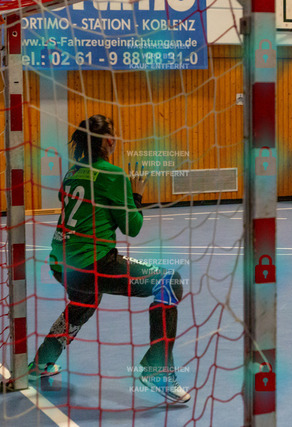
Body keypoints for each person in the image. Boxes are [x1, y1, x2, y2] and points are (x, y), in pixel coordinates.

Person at [30, 115, 191, 403]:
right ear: (107, 141)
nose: (115, 140)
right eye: (113, 135)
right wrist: (136, 196)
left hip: (60, 264)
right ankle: (158, 369)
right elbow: (132, 227)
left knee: (85, 300)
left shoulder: (72, 173)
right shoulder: (113, 174)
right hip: (92, 264)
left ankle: (42, 361)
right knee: (170, 281)